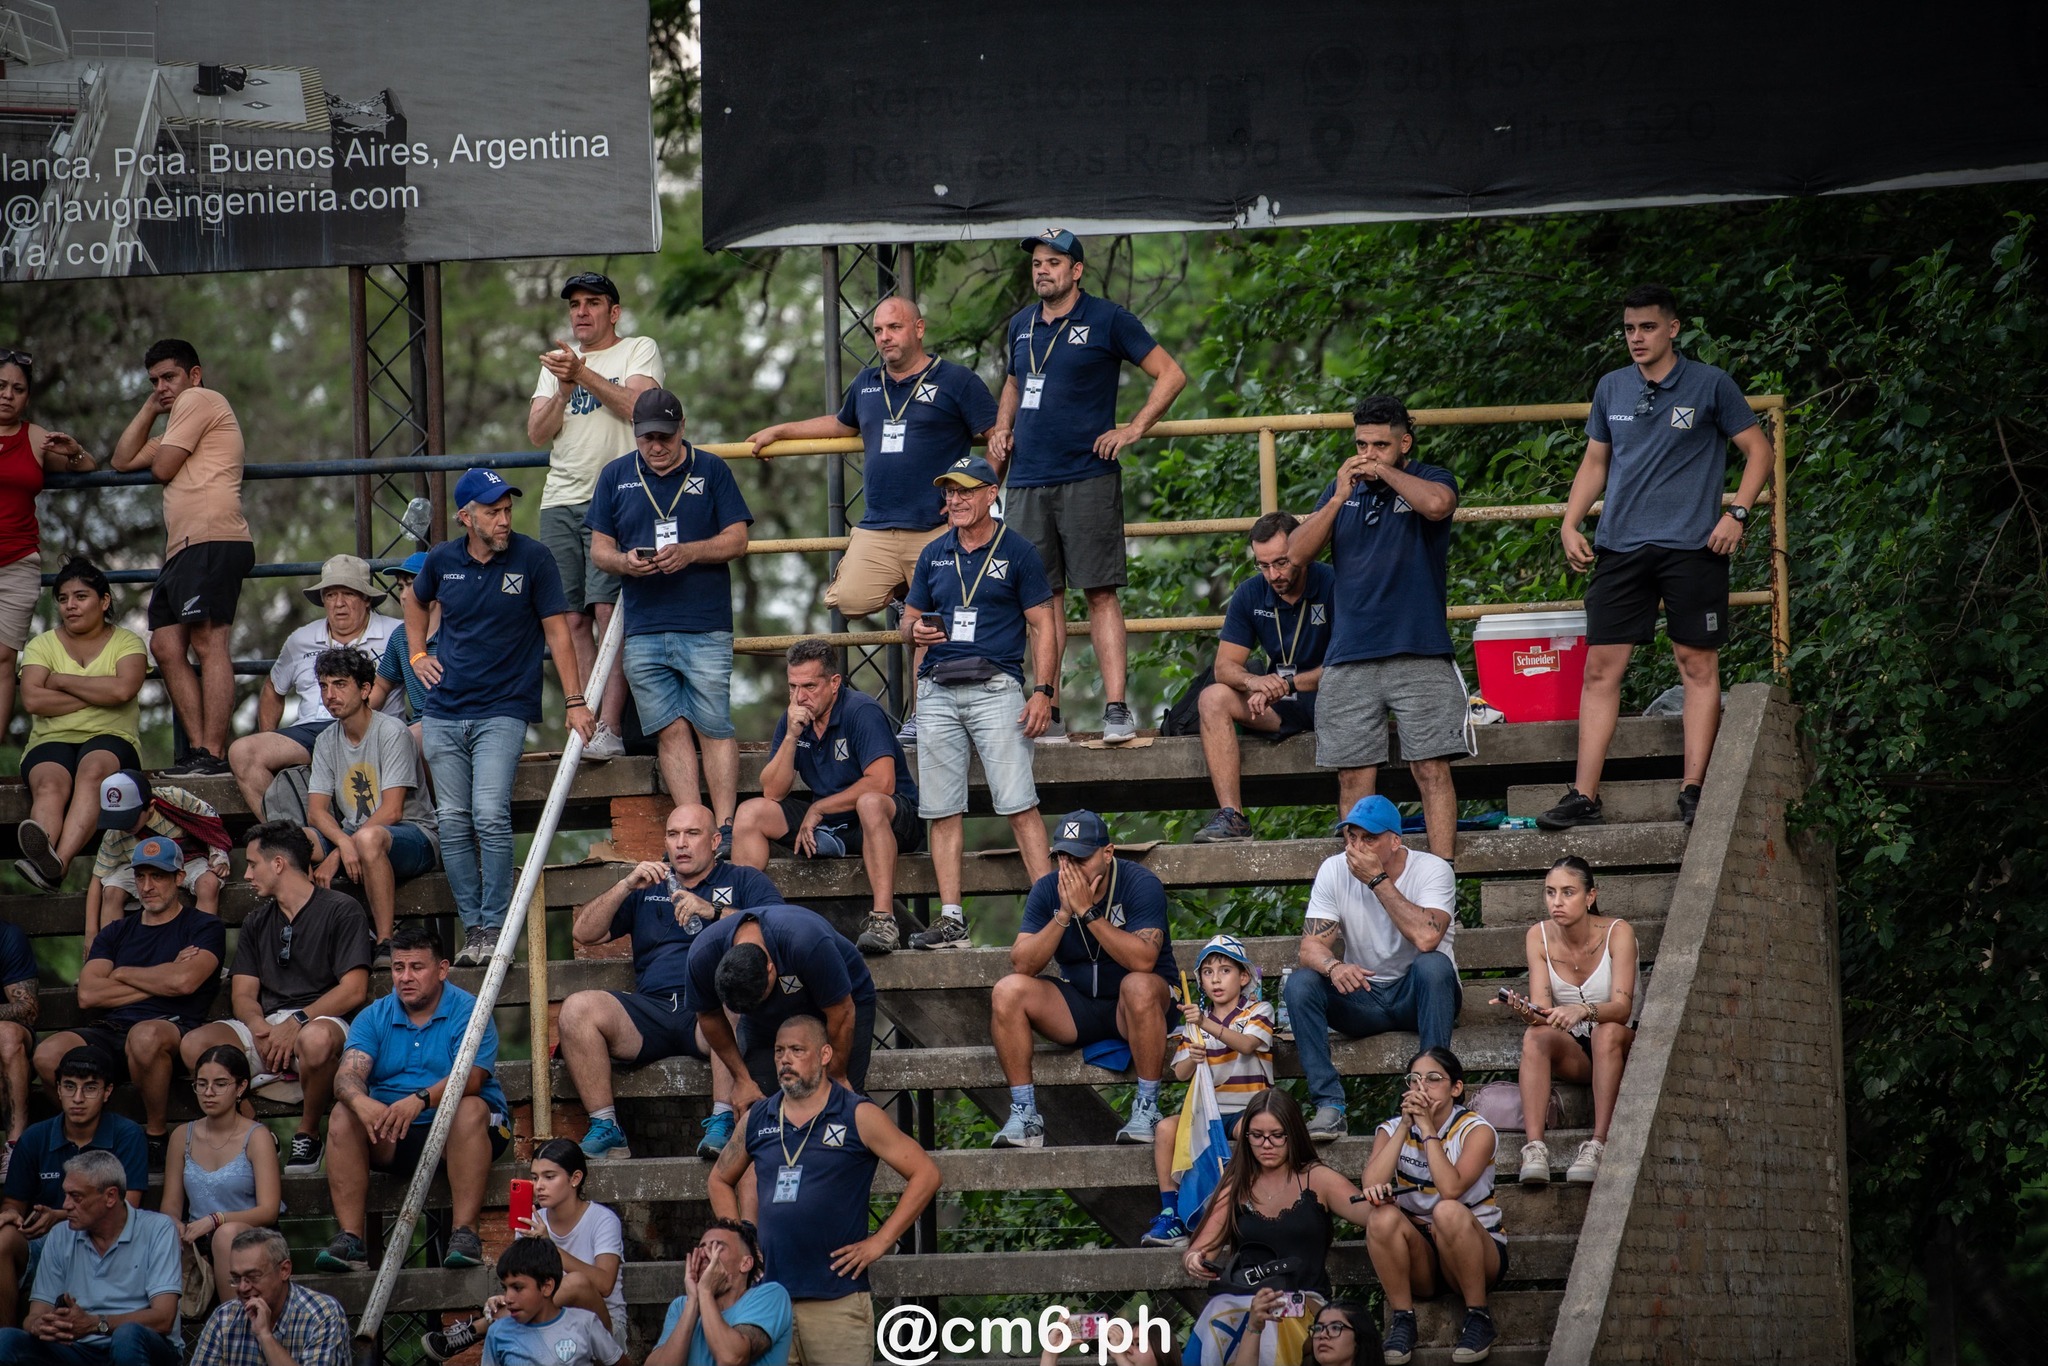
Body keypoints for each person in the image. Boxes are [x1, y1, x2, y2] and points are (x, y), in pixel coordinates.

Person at [1539, 284, 1775, 832]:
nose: (1637, 338)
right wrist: (1571, 522)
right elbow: (1595, 462)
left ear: (1673, 328)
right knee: (1601, 668)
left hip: (1694, 546)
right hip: (1620, 546)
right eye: (1629, 329)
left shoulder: (1710, 383)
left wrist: (1737, 514)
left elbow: (1759, 451)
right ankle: (1584, 795)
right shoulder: (1611, 386)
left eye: (1647, 327)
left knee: (1697, 664)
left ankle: (1694, 790)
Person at [744, 296, 998, 741]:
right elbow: (842, 425)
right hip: (878, 526)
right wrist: (780, 430)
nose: (884, 337)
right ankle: (904, 592)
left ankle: (922, 717)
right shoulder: (866, 382)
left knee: (928, 627)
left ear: (918, 328)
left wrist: (976, 501)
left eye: (894, 328)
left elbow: (999, 437)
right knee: (848, 600)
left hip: (936, 528)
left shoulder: (956, 380)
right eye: (878, 330)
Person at [988, 228, 1186, 743]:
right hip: (1027, 480)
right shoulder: (1020, 324)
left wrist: (1134, 428)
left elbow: (1171, 374)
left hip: (1087, 474)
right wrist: (1002, 427)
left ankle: (1116, 709)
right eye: (1037, 263)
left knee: (1099, 592)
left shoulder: (1108, 318)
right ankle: (1047, 710)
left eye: (1053, 262)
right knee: (1042, 597)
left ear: (1076, 270)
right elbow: (1013, 382)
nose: (1042, 270)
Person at [409, 466, 594, 966]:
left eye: (508, 509)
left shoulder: (534, 557)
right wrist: (418, 654)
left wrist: (574, 701)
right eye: (493, 512)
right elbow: (414, 599)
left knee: (489, 814)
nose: (505, 519)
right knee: (452, 820)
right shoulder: (441, 559)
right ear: (466, 517)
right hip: (444, 709)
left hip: (504, 709)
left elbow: (559, 632)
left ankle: (495, 925)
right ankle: (475, 929)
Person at [1287, 396, 1464, 860]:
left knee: (1431, 769)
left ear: (1404, 443)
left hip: (1419, 649)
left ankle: (1443, 878)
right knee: (1353, 776)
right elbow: (1296, 554)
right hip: (1350, 655)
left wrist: (1383, 472)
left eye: (1380, 445)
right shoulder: (1341, 492)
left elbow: (1438, 505)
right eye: (1361, 445)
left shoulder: (1429, 477)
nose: (1367, 455)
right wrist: (1338, 498)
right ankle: (1362, 882)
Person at [707, 1015, 940, 1366]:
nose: (785, 1060)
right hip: (769, 1302)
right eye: (779, 1051)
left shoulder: (856, 1113)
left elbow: (926, 1173)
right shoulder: (759, 1117)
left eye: (797, 1050)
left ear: (825, 1055)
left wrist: (881, 1241)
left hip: (836, 1300)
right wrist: (741, 1239)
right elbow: (719, 1179)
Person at [899, 456, 1057, 950]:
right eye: (950, 492)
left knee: (1019, 804)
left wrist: (1044, 692)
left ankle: (1052, 914)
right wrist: (914, 630)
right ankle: (952, 922)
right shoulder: (933, 552)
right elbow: (908, 620)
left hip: (995, 688)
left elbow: (1044, 625)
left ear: (992, 494)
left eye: (966, 491)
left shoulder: (1019, 550)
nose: (956, 500)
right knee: (941, 810)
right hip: (937, 689)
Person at [562, 804, 780, 1162]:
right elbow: (584, 933)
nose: (681, 843)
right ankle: (607, 1127)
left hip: (709, 1010)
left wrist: (712, 910)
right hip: (653, 1012)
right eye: (673, 834)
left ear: (715, 841)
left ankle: (723, 1119)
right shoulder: (648, 884)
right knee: (576, 1009)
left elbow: (777, 925)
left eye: (692, 834)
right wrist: (625, 885)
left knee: (735, 997)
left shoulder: (742, 879)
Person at [585, 388, 752, 847]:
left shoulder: (712, 469)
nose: (655, 446)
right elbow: (599, 551)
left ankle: (726, 829)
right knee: (669, 729)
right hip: (643, 627)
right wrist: (625, 562)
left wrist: (690, 553)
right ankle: (692, 830)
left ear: (682, 428)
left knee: (713, 726)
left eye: (664, 436)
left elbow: (738, 539)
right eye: (646, 438)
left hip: (705, 622)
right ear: (634, 433)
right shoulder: (615, 475)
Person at [177, 821, 371, 1178]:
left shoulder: (341, 909)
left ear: (278, 864)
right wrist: (259, 1028)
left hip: (322, 1019)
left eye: (253, 864)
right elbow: (243, 993)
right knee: (194, 1045)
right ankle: (254, 1130)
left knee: (316, 1039)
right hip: (267, 1024)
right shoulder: (256, 921)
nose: (247, 875)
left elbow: (354, 989)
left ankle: (308, 1133)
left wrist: (297, 1022)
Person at [316, 925, 512, 1275]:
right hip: (393, 1132)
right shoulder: (374, 1015)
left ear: (442, 969)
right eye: (398, 967)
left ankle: (465, 1234)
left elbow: (473, 1077)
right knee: (343, 1115)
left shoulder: (470, 1010)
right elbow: (346, 1077)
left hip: (462, 1133)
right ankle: (351, 1240)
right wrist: (362, 1103)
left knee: (468, 1108)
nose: (405, 977)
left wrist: (420, 1099)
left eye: (417, 967)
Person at [528, 270, 665, 760]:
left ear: (614, 311)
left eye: (592, 302)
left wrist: (580, 374)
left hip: (618, 497)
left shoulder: (638, 349)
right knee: (569, 617)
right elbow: (536, 433)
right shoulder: (557, 365)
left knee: (608, 612)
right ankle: (584, 722)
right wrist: (564, 389)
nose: (581, 312)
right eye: (574, 304)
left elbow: (642, 408)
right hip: (559, 498)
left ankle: (611, 726)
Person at [989, 810, 1176, 1149]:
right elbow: (1022, 964)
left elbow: (1144, 960)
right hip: (1080, 1005)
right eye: (1064, 858)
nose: (1071, 868)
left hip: (1135, 1008)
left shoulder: (1140, 883)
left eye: (1081, 858)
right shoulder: (1048, 889)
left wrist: (1088, 912)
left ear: (1107, 853)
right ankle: (1025, 1115)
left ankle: (1147, 1108)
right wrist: (1064, 913)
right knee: (1007, 990)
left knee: (1138, 985)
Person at [109, 339, 252, 779]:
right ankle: (198, 750)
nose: (162, 387)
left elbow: (162, 469)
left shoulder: (199, 400)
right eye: (153, 381)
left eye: (169, 377)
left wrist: (170, 405)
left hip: (213, 537)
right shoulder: (178, 425)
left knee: (209, 642)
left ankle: (212, 751)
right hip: (183, 547)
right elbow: (121, 460)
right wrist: (151, 408)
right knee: (166, 645)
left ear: (194, 374)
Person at [37, 837, 225, 1168]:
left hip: (170, 1029)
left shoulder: (203, 926)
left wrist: (122, 973)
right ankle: (100, 1136)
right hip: (110, 1030)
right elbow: (89, 994)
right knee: (47, 1054)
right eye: (140, 877)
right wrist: (162, 977)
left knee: (145, 1036)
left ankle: (155, 1137)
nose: (147, 887)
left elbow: (184, 982)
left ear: (179, 878)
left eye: (158, 876)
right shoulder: (115, 932)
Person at [1285, 796, 1459, 1143]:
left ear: (1395, 841)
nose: (1357, 847)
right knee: (1301, 984)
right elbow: (1309, 947)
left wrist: (1377, 880)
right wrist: (1334, 966)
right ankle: (1329, 1106)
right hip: (1364, 995)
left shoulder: (1433, 869)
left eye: (1369, 838)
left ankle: (1429, 1098)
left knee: (1434, 965)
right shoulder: (1334, 869)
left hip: (1419, 995)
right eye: (1351, 837)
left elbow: (1427, 938)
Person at [731, 639, 921, 954]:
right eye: (792, 687)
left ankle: (884, 922)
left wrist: (820, 807)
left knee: (870, 803)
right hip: (834, 824)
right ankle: (744, 920)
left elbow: (883, 783)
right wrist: (791, 736)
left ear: (834, 683)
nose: (799, 696)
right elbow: (773, 791)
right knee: (751, 813)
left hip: (892, 820)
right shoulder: (793, 718)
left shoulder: (861, 710)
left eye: (809, 686)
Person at [1180, 1090, 1360, 1366]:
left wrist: (1379, 1195)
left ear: (1294, 1134)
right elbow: (1200, 1250)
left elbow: (1373, 1215)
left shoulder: (1318, 1179)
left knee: (1271, 1318)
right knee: (1217, 1311)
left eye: (1277, 1135)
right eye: (1257, 1135)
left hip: (1304, 1301)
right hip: (1246, 1297)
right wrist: (1194, 1260)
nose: (1266, 1144)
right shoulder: (1237, 1185)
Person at [1192, 513, 1337, 843]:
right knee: (1212, 698)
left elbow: (1346, 666)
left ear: (1300, 549)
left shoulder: (1332, 582)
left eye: (1282, 562)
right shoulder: (1250, 593)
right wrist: (1254, 682)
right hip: (1281, 705)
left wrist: (1286, 684)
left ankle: (1355, 823)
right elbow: (1224, 667)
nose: (1274, 574)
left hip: (1334, 699)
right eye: (1264, 565)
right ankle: (1233, 817)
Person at [1358, 1047, 1506, 1366]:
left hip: (1476, 1248)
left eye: (1433, 1078)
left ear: (1456, 1087)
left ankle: (1478, 1317)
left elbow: (1450, 1189)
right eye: (1414, 1080)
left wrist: (1427, 1130)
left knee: (1446, 1210)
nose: (1422, 1087)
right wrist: (1405, 1126)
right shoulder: (1391, 1129)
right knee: (1381, 1217)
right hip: (1422, 1254)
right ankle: (1403, 1320)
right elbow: (1371, 1184)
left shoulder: (1476, 1130)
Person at [227, 556, 403, 818]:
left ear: (367, 598)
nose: (339, 603)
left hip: (374, 728)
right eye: (331, 595)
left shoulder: (396, 632)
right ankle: (287, 835)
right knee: (242, 752)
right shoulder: (301, 638)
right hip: (313, 730)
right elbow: (273, 688)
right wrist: (270, 736)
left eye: (348, 594)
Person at [424, 1139, 627, 1361]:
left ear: (575, 1178)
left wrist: (550, 1246)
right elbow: (524, 1280)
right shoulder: (531, 1221)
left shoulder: (602, 1220)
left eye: (549, 1177)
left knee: (576, 1282)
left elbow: (604, 1284)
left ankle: (480, 1327)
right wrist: (506, 1299)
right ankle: (494, 1319)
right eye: (535, 1177)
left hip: (602, 1327)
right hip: (544, 1322)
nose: (539, 1186)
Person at [13, 559, 144, 893]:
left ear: (104, 601)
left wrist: (60, 681)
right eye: (63, 598)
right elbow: (33, 700)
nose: (70, 605)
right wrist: (100, 695)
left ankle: (58, 863)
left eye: (81, 596)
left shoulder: (127, 642)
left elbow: (123, 690)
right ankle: (45, 855)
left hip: (112, 737)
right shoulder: (42, 644)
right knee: (49, 784)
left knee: (93, 771)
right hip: (50, 738)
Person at [303, 647, 439, 952]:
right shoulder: (325, 740)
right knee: (295, 842)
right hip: (355, 837)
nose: (329, 695)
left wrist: (339, 853)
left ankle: (384, 941)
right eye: (324, 686)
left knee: (368, 839)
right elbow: (316, 812)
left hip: (413, 836)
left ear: (365, 690)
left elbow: (392, 811)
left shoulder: (392, 732)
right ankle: (308, 942)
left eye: (340, 684)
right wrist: (343, 843)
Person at [0, 1049, 147, 1330]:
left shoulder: (127, 1134)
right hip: (44, 1244)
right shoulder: (35, 1137)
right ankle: (6, 1341)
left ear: (107, 1092)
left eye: (90, 1088)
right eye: (69, 1086)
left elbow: (129, 1209)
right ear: (58, 1089)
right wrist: (12, 1215)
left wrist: (60, 1217)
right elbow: (14, 1202)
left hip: (106, 1243)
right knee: (4, 1238)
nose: (77, 1098)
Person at [1513, 857, 1637, 1188]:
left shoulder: (1618, 932)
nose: (1557, 901)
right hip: (1577, 1051)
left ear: (1590, 896)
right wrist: (1525, 1010)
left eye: (1568, 892)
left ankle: (1598, 1144)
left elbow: (1622, 1009)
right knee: (1534, 1036)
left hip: (1620, 1043)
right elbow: (1543, 1012)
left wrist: (1583, 1010)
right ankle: (1535, 1149)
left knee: (1605, 1033)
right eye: (1550, 892)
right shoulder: (1538, 935)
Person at [1144, 935, 1275, 1248]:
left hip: (1249, 1108)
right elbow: (1180, 1073)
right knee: (1165, 1129)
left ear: (1243, 977)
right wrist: (1193, 1055)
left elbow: (1247, 1045)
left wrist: (1205, 1023)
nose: (1215, 979)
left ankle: (1260, 1210)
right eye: (1207, 972)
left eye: (1225, 971)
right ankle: (1171, 1213)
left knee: (1255, 1132)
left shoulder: (1258, 1010)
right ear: (1200, 981)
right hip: (1208, 1113)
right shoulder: (1194, 1024)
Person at [685, 905, 878, 1109]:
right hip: (762, 1021)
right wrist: (742, 1079)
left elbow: (841, 1010)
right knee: (760, 1100)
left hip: (841, 1001)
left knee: (840, 1102)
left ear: (770, 969)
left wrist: (837, 1075)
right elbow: (708, 1016)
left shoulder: (805, 942)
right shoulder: (702, 956)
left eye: (759, 999)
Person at [0, 1151, 181, 1366]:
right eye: (66, 1195)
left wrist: (95, 1324)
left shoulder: (158, 1229)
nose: (65, 1205)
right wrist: (40, 1325)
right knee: (6, 1340)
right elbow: (34, 1315)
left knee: (127, 1336)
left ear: (110, 1196)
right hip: (78, 1349)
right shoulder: (60, 1234)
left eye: (76, 1197)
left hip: (143, 1346)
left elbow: (164, 1318)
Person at [0, 350, 92, 732]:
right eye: (0, 386)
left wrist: (74, 452)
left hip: (17, 563)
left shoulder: (35, 436)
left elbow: (86, 467)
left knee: (4, 660)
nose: (7, 395)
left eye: (18, 389)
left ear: (27, 397)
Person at [158, 1047, 280, 1288]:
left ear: (241, 1087)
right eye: (201, 1084)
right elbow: (170, 1205)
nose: (208, 1093)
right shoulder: (182, 1135)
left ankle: (234, 1313)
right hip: (197, 1240)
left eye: (220, 1084)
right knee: (164, 1232)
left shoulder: (257, 1136)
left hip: (251, 1239)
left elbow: (268, 1211)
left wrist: (216, 1220)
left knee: (225, 1236)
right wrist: (175, 1224)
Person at [83, 770, 230, 941]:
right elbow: (97, 879)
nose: (123, 825)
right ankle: (109, 946)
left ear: (151, 806)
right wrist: (91, 934)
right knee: (111, 891)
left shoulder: (174, 799)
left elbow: (209, 821)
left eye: (128, 818)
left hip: (186, 859)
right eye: (117, 818)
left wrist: (218, 852)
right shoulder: (115, 834)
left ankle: (200, 944)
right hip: (140, 867)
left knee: (209, 884)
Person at [188, 1228, 351, 1366]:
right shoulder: (224, 1318)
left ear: (284, 1270)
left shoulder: (322, 1314)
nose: (243, 1287)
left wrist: (265, 1335)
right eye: (236, 1278)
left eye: (253, 1276)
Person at [645, 1220, 792, 1366]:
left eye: (717, 1247)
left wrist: (705, 1292)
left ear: (745, 1264)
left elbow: (731, 1358)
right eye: (701, 1248)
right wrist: (693, 1304)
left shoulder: (771, 1295)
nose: (705, 1253)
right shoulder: (681, 1306)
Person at [474, 1239, 621, 1366]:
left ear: (546, 1287)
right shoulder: (498, 1333)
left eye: (517, 1288)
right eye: (505, 1288)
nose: (508, 1298)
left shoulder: (585, 1324)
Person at [370, 552, 437, 731]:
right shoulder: (400, 636)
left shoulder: (458, 632)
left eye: (413, 586)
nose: (405, 595)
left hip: (454, 721)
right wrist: (354, 709)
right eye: (401, 588)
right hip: (419, 724)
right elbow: (382, 685)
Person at [0, 918, 37, 1170]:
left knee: (7, 1034)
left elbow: (28, 1009)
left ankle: (15, 1147)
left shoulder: (7, 936)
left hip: (5, 1042)